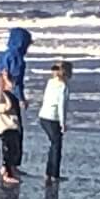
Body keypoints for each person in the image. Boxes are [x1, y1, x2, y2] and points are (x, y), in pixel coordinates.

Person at [0, 26, 29, 187]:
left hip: (2, 91)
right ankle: (10, 166)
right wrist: (21, 98)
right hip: (10, 94)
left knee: (8, 132)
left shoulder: (4, 55)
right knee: (14, 132)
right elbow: (16, 81)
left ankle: (10, 166)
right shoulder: (17, 58)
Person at [38, 58, 72, 186]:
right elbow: (61, 106)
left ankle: (49, 172)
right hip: (53, 118)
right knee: (56, 146)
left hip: (43, 116)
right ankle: (54, 174)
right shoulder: (63, 86)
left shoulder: (51, 82)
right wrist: (63, 123)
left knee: (53, 145)